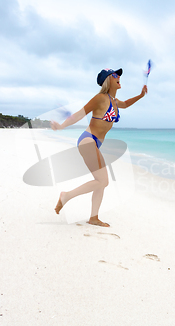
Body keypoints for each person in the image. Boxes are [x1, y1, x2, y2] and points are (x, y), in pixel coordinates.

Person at [50, 68, 147, 227]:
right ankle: (66, 196)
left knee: (100, 182)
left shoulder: (114, 102)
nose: (119, 77)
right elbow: (80, 114)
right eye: (116, 75)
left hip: (96, 143)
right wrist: (61, 126)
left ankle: (93, 217)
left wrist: (141, 95)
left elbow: (127, 104)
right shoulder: (100, 98)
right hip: (88, 140)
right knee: (103, 181)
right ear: (108, 80)